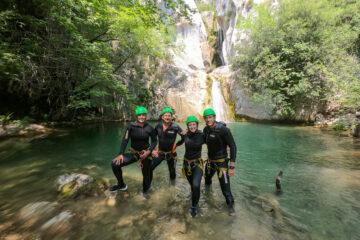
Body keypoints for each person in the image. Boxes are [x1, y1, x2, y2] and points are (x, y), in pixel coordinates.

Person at [111, 106, 157, 194]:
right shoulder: (131, 127)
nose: (141, 117)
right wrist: (121, 154)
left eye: (143, 115)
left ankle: (145, 191)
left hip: (146, 152)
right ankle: (121, 185)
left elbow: (155, 141)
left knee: (146, 174)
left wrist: (149, 151)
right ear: (136, 116)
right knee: (114, 164)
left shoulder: (149, 128)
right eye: (139, 115)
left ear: (146, 116)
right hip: (134, 152)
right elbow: (125, 140)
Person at [203, 108, 237, 216]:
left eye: (210, 117)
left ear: (214, 118)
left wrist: (231, 167)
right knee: (207, 179)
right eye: (206, 118)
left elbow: (233, 146)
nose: (208, 120)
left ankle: (231, 206)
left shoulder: (223, 130)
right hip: (210, 162)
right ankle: (208, 196)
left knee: (225, 188)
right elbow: (201, 140)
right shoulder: (205, 130)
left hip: (222, 163)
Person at [152, 107, 184, 182]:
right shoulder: (158, 126)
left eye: (169, 115)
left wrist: (177, 144)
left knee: (172, 173)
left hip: (171, 153)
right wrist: (152, 150)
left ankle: (172, 189)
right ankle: (149, 185)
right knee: (150, 167)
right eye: (165, 115)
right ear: (162, 117)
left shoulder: (175, 127)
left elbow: (184, 137)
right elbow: (153, 138)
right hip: (160, 153)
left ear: (171, 117)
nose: (167, 117)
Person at [182, 116, 204, 218]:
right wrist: (174, 146)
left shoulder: (202, 135)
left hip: (197, 163)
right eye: (190, 125)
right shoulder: (185, 135)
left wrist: (224, 145)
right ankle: (195, 196)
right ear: (187, 126)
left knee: (196, 185)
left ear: (197, 125)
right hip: (186, 164)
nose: (192, 126)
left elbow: (213, 141)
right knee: (192, 186)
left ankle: (194, 207)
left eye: (194, 124)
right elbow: (179, 141)